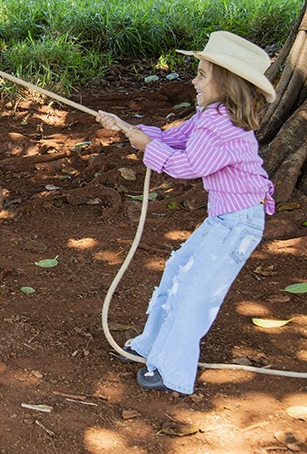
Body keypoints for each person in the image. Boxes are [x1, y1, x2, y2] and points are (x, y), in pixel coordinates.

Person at [95, 31, 276, 394]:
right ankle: (151, 346)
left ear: (225, 84)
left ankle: (173, 371)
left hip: (237, 224)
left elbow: (189, 164)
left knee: (195, 292)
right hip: (224, 219)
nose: (194, 80)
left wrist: (148, 147)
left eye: (202, 74)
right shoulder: (211, 114)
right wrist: (128, 128)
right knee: (179, 272)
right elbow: (174, 139)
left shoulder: (224, 126)